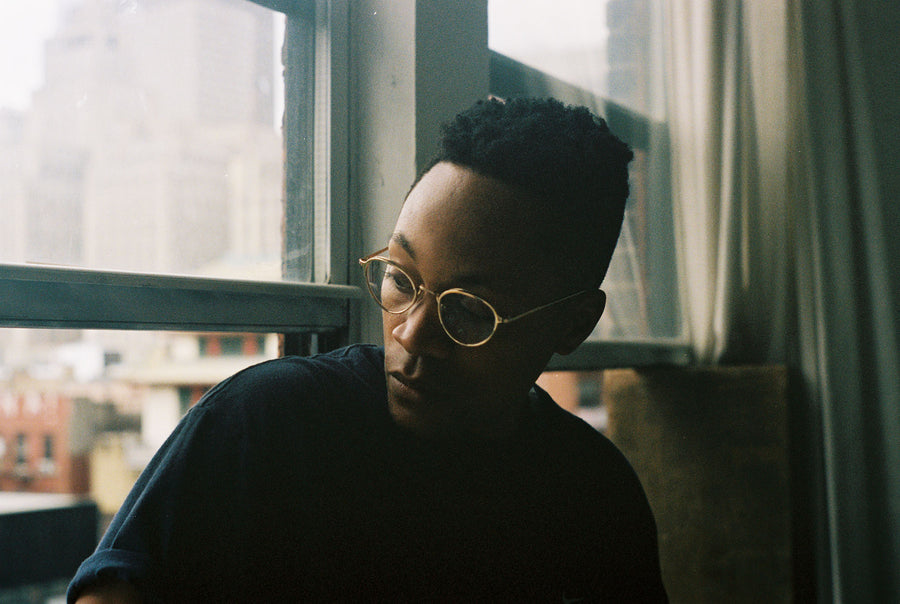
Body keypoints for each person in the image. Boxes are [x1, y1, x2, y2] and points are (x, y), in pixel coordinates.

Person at [68, 97, 668, 602]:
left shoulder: (595, 496)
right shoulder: (268, 422)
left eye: (467, 312)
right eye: (401, 279)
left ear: (572, 324)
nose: (409, 334)